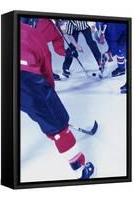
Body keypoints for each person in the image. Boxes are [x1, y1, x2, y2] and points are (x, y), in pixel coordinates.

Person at [20, 21, 95, 180]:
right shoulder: (35, 33)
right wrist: (51, 104)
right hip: (27, 78)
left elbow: (59, 48)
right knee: (59, 127)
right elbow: (46, 73)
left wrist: (68, 52)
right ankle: (80, 169)